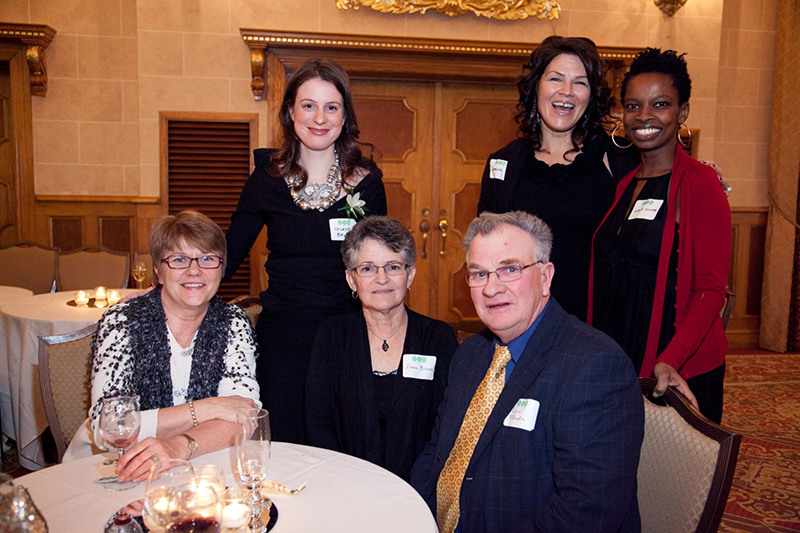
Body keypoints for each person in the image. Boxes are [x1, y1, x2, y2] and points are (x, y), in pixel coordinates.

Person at [410, 211, 644, 533]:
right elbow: (438, 453)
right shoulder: (469, 354)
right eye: (479, 274)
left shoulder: (595, 365)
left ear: (545, 277)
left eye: (510, 269)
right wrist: (409, 514)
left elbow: (585, 514)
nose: (491, 288)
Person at [225, 59, 387, 443]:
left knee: (342, 447)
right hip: (283, 338)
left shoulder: (367, 183)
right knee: (284, 446)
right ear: (290, 112)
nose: (319, 118)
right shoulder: (266, 179)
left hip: (345, 337)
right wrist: (168, 289)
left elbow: (379, 266)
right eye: (308, 105)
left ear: (344, 117)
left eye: (331, 107)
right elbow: (229, 253)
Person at [588, 48, 730, 423]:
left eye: (660, 104)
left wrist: (670, 358)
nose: (644, 116)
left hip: (675, 364)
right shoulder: (623, 185)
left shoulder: (701, 183)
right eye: (633, 105)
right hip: (621, 355)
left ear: (682, 112)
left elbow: (711, 290)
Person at [65, 211, 260, 482]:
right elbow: (110, 426)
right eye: (179, 259)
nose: (195, 270)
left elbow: (243, 416)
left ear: (221, 269)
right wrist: (207, 409)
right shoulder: (123, 321)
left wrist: (178, 445)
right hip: (111, 466)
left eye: (207, 259)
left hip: (200, 463)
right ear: (158, 270)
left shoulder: (233, 322)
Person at [477, 36, 638, 321]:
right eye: (555, 79)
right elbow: (487, 254)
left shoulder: (620, 159)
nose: (567, 92)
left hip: (599, 325)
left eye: (580, 82)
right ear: (536, 86)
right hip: (523, 325)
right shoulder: (504, 164)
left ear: (592, 95)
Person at [305, 216, 457, 481]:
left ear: (410, 276)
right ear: (351, 280)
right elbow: (318, 425)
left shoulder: (437, 338)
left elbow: (445, 430)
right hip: (343, 485)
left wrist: (412, 491)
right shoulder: (331, 336)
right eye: (367, 269)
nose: (381, 278)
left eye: (393, 267)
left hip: (419, 489)